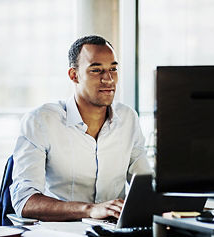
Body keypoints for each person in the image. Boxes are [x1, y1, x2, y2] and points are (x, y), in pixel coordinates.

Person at [10, 35, 152, 221]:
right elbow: (25, 201)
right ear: (74, 75)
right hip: (60, 235)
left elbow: (146, 186)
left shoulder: (128, 118)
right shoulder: (41, 120)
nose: (108, 79)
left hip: (115, 233)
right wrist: (90, 210)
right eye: (96, 70)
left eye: (113, 69)